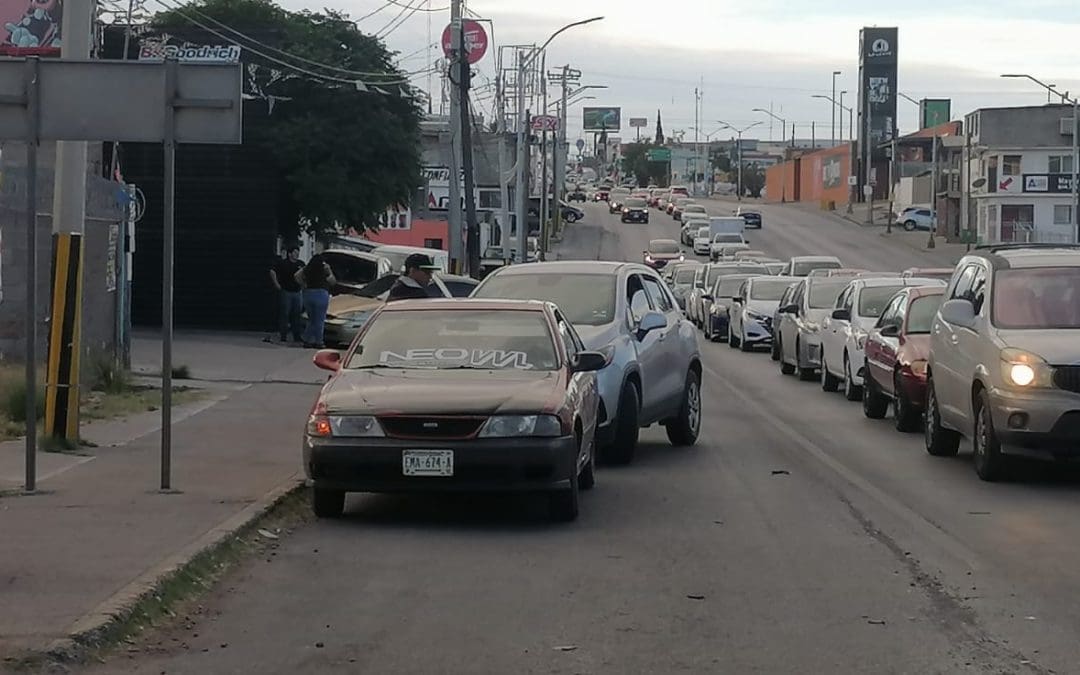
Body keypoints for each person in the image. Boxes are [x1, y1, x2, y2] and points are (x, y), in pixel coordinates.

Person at [296, 254, 336, 348]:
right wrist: (329, 271)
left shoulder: (307, 268)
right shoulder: (325, 268)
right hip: (321, 294)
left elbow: (296, 275)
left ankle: (307, 340)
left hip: (308, 294)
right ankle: (319, 342)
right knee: (319, 320)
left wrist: (303, 284)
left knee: (311, 319)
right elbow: (332, 281)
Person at [270, 245, 305, 343]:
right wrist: (277, 284)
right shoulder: (283, 263)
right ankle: (283, 335)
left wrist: (303, 286)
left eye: (297, 252)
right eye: (294, 252)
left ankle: (297, 336)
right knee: (285, 314)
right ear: (290, 254)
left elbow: (305, 274)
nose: (297, 254)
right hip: (286, 291)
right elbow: (272, 271)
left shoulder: (301, 264)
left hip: (297, 292)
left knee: (297, 315)